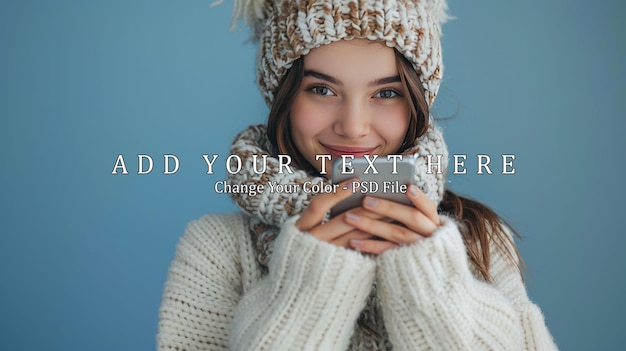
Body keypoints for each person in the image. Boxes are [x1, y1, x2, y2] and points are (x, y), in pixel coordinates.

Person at [157, 0, 558, 350]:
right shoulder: (216, 249)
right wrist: (309, 289)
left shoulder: (480, 240)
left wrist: (433, 286)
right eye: (321, 90)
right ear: (282, 96)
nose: (353, 127)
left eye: (386, 93)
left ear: (417, 101)